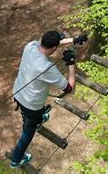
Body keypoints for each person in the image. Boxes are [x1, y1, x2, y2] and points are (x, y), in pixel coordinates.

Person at [10, 30, 88, 168]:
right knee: (28, 131)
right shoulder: (46, 68)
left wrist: (73, 40)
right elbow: (70, 89)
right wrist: (71, 63)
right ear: (54, 48)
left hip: (19, 92)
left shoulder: (30, 46)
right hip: (31, 105)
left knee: (33, 116)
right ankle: (16, 159)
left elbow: (52, 44)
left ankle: (37, 120)